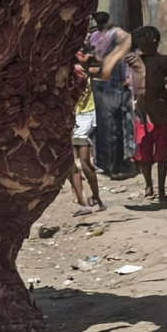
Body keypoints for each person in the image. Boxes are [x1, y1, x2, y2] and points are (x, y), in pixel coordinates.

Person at [126, 25, 167, 200]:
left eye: (146, 36)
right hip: (142, 114)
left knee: (161, 155)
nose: (142, 39)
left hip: (161, 113)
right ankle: (149, 185)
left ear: (155, 40)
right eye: (140, 36)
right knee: (144, 155)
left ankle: (162, 190)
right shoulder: (132, 60)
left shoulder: (164, 61)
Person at [89, 11, 133, 177]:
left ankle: (109, 164)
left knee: (108, 127)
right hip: (106, 85)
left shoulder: (104, 36)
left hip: (106, 85)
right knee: (109, 127)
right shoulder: (105, 35)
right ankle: (109, 165)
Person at [70, 47, 105, 213]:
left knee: (84, 161)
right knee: (72, 164)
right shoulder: (67, 69)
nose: (81, 52)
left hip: (87, 116)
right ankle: (83, 202)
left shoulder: (90, 69)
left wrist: (90, 58)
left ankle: (96, 197)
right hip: (70, 116)